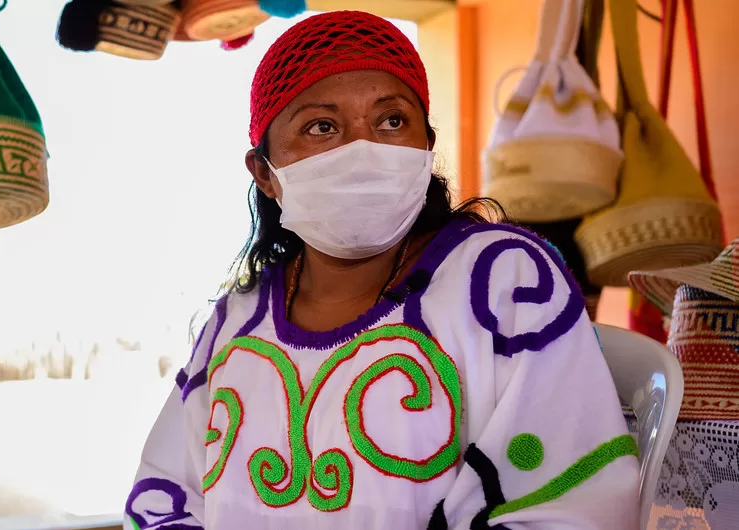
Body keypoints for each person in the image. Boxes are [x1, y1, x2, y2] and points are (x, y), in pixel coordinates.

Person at [125, 11, 640, 530]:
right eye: (322, 127)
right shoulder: (235, 323)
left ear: (426, 147)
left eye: (392, 121)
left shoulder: (503, 280)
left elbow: (568, 506)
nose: (363, 149)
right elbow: (164, 500)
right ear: (265, 173)